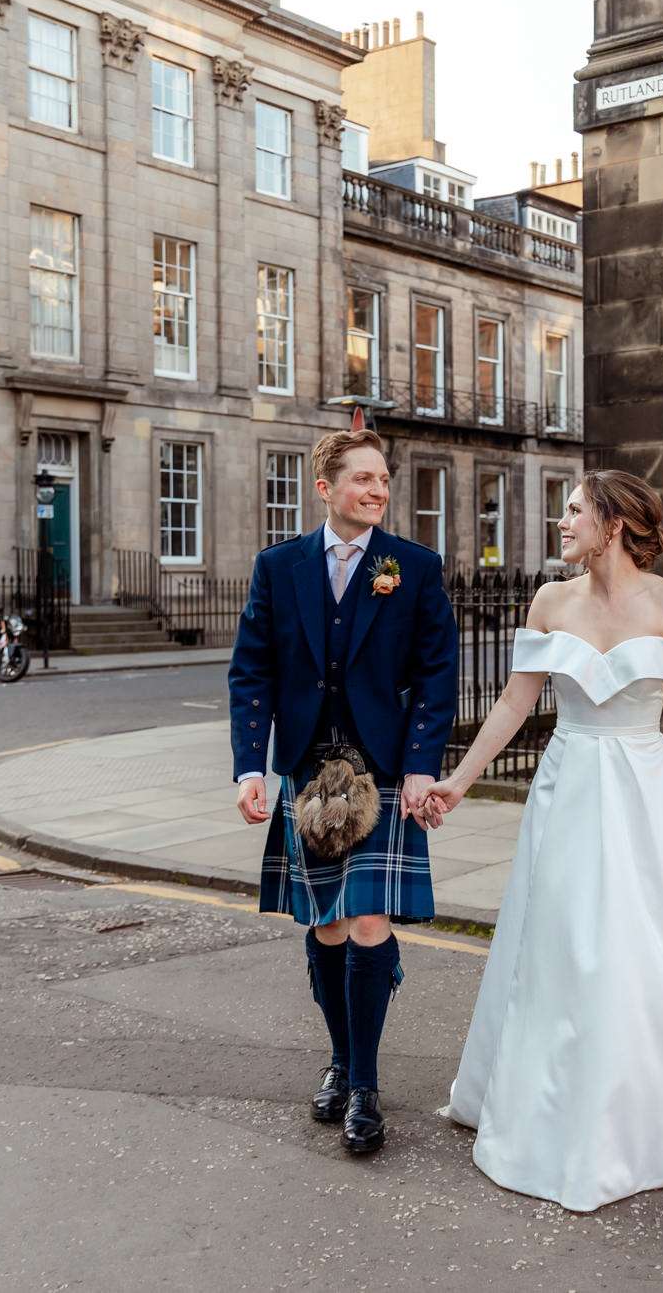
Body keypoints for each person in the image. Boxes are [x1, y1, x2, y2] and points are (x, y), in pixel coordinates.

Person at [423, 470, 663, 1212]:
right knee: (561, 939)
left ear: (612, 523)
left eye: (573, 511)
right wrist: (459, 780)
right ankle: (553, 1097)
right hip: (568, 785)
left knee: (641, 941)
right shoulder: (550, 602)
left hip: (644, 789)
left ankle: (641, 1101)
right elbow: (514, 702)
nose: (561, 523)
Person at [228, 428, 458, 1155]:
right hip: (307, 770)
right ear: (325, 487)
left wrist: (421, 763)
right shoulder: (279, 567)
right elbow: (252, 671)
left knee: (366, 921)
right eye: (363, 478)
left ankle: (363, 1085)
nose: (378, 490)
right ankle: (339, 1055)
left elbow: (438, 672)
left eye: (383, 479)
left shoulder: (412, 566)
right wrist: (249, 767)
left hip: (382, 769)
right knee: (327, 925)